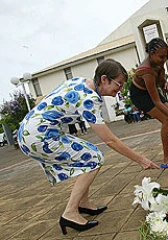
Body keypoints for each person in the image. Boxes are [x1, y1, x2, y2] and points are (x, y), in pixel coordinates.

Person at [17, 59, 159, 235]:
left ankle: (82, 203)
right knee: (94, 158)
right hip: (39, 135)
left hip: (30, 130)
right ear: (104, 79)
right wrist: (141, 159)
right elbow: (110, 140)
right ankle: (70, 212)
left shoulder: (80, 81)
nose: (120, 89)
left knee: (88, 155)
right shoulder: (90, 99)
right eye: (119, 84)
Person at [129, 38, 168, 169]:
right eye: (162, 56)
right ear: (151, 53)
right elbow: (156, 101)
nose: (164, 59)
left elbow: (161, 76)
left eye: (166, 56)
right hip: (140, 95)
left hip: (152, 91)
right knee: (167, 120)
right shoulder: (146, 70)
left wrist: (164, 84)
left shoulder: (158, 61)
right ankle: (166, 158)